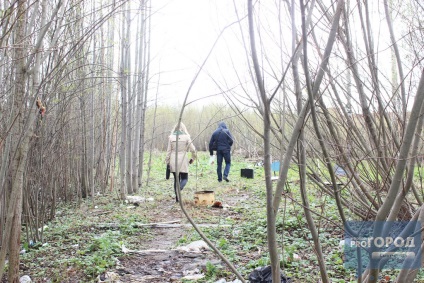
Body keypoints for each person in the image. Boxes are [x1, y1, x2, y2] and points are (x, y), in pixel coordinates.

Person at [165, 122, 196, 202]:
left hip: (173, 160)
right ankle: (180, 189)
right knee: (185, 178)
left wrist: (167, 162)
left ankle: (177, 199)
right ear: (184, 128)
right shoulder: (187, 137)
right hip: (183, 160)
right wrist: (193, 158)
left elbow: (168, 151)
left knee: (176, 180)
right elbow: (193, 149)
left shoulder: (171, 137)